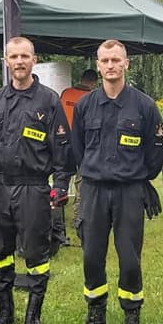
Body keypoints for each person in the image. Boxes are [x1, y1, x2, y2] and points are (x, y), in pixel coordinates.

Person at [69, 39, 163, 324]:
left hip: (129, 192)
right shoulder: (85, 106)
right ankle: (95, 320)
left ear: (126, 64)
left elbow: (155, 154)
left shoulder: (145, 106)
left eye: (116, 60)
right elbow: (78, 149)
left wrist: (137, 177)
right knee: (91, 257)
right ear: (97, 65)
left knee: (130, 259)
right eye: (105, 60)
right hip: (94, 190)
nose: (110, 66)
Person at [0, 37, 71, 324]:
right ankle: (4, 315)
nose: (19, 62)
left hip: (33, 187)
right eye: (13, 56)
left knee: (37, 255)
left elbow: (62, 150)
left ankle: (33, 317)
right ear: (6, 61)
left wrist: (60, 184)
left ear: (34, 59)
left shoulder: (49, 100)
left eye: (24, 56)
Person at [58, 69, 98, 242]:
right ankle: (77, 217)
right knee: (82, 182)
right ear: (93, 83)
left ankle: (57, 220)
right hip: (83, 144)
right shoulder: (92, 98)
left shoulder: (66, 93)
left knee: (61, 181)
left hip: (62, 142)